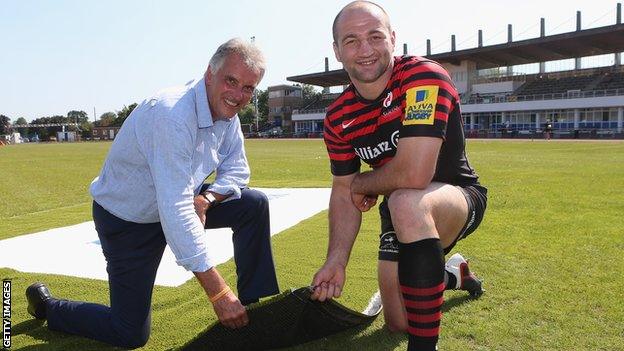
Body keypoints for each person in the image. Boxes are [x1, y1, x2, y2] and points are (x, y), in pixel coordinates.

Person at [25, 38, 280, 349]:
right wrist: (219, 293)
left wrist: (206, 199)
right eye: (231, 80)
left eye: (248, 89)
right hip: (128, 220)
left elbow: (238, 171)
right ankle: (48, 306)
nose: (239, 95)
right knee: (129, 333)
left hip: (176, 199)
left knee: (252, 204)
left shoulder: (228, 115)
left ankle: (256, 310)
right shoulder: (172, 114)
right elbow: (174, 209)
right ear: (209, 74)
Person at [310, 2, 487, 350]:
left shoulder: (423, 77)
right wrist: (336, 260)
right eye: (351, 40)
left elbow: (414, 173)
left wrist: (363, 183)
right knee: (398, 321)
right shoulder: (337, 117)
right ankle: (454, 274)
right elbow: (342, 190)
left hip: (457, 197)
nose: (365, 49)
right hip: (398, 211)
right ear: (337, 51)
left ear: (392, 38)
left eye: (375, 36)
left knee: (405, 199)